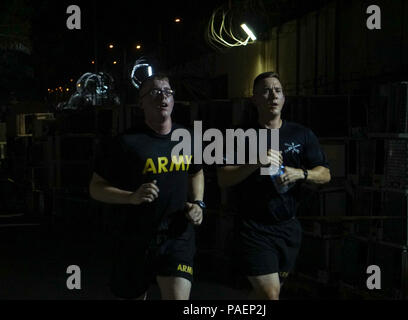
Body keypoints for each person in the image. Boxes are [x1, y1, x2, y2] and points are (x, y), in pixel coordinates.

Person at [89, 60, 205, 300]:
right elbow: (96, 188)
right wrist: (131, 197)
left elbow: (196, 172)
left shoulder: (187, 137)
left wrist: (199, 203)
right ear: (141, 102)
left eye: (167, 92)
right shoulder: (126, 143)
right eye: (154, 92)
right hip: (134, 238)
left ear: (173, 100)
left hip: (177, 236)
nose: (162, 96)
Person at [217, 71, 330, 300]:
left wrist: (300, 173)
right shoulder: (238, 135)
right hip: (252, 228)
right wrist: (255, 162)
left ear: (284, 98)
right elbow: (223, 178)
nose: (273, 96)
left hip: (288, 228)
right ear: (255, 99)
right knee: (270, 294)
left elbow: (325, 174)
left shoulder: (302, 134)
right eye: (266, 91)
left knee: (265, 294)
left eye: (278, 90)